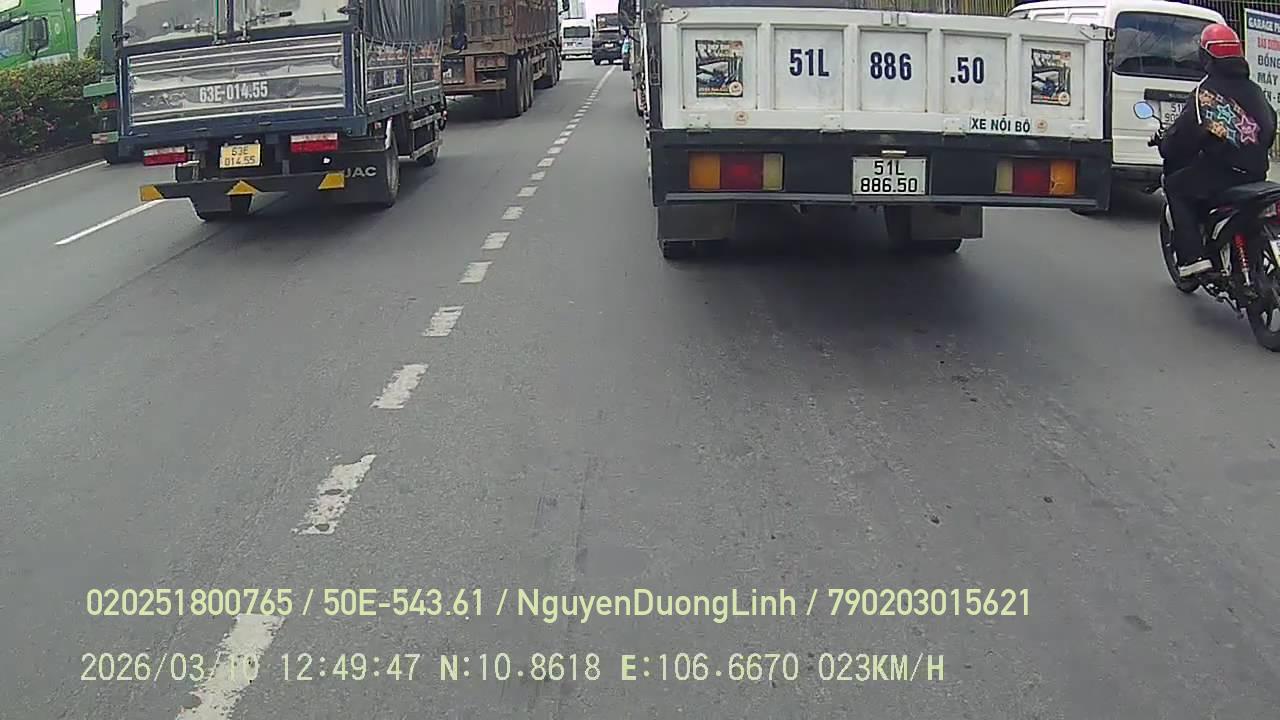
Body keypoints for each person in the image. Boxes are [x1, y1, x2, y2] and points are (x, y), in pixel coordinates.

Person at [1154, 23, 1277, 278]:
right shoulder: (1256, 91)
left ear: (1206, 57)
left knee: (1176, 186)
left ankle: (1192, 259)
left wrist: (1166, 145)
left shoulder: (1206, 93)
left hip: (1222, 174)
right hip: (1256, 173)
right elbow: (1270, 126)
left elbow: (1184, 136)